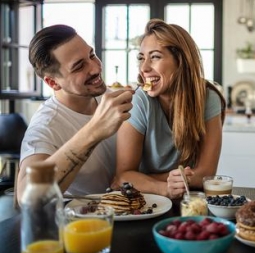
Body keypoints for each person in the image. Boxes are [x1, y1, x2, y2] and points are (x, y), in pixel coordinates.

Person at [17, 24, 134, 202]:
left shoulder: (113, 98)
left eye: (92, 55)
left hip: (141, 212)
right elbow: (25, 197)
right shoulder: (46, 126)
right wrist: (94, 131)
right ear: (52, 83)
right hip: (86, 223)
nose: (95, 68)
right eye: (79, 66)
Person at [111, 19, 226, 199]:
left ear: (181, 61)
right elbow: (122, 177)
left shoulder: (207, 98)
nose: (144, 68)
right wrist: (165, 186)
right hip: (146, 200)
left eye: (155, 57)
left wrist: (146, 179)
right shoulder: (140, 101)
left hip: (189, 199)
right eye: (141, 58)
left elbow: (206, 174)